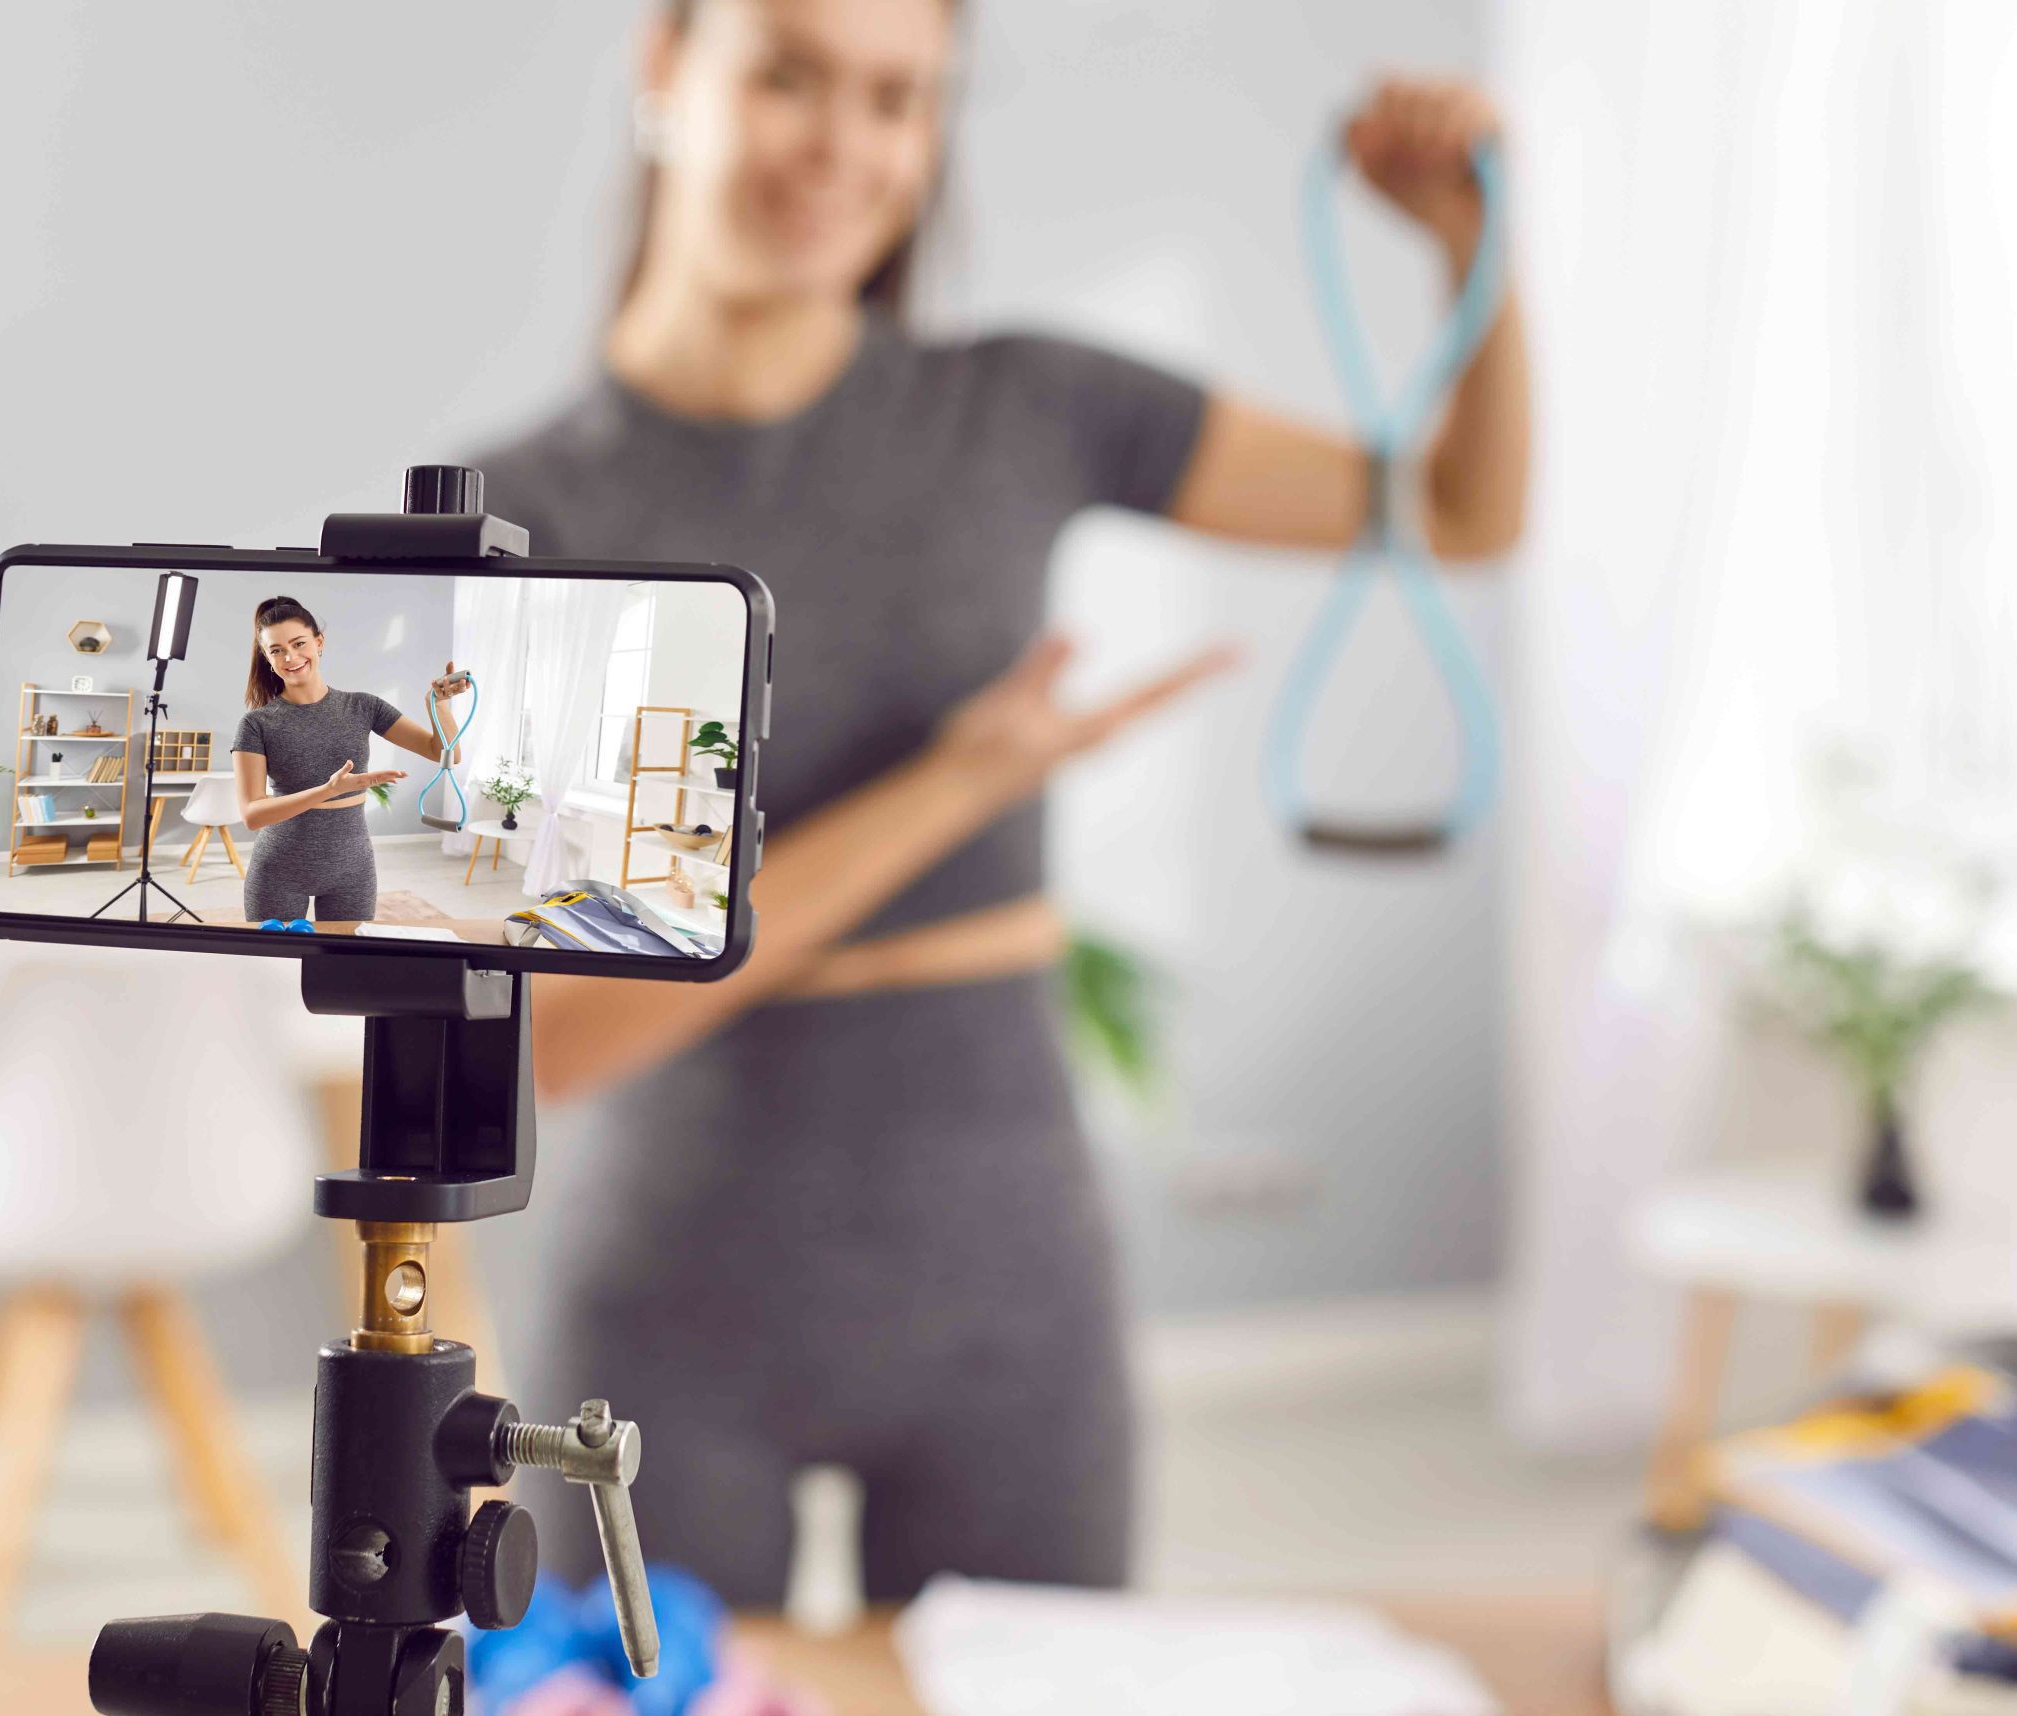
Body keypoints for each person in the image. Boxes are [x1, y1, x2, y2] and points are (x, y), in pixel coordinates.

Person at [472, 0, 1529, 1603]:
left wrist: (1474, 253)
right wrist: (953, 790)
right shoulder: (522, 520)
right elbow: (557, 1044)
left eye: (899, 99)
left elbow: (1458, 511)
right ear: (665, 69)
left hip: (1006, 1284)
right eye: (790, 75)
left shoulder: (1028, 406)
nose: (844, 143)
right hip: (671, 1301)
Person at [232, 594, 472, 923]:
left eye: (299, 643)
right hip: (279, 868)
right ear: (267, 658)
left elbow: (445, 752)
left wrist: (439, 705)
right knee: (276, 968)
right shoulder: (256, 724)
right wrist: (327, 790)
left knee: (348, 967)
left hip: (352, 867)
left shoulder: (363, 707)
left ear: (319, 642)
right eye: (276, 650)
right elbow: (252, 815)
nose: (290, 657)